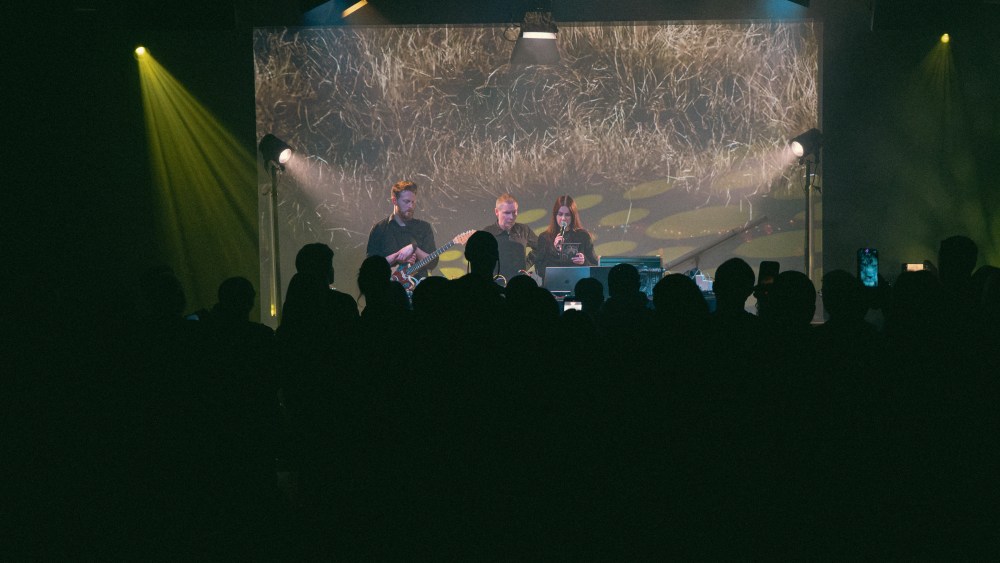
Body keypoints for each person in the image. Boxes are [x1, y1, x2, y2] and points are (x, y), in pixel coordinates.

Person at [366, 180, 439, 282]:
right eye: (406, 201)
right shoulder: (379, 229)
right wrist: (397, 256)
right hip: (389, 289)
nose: (410, 206)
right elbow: (370, 266)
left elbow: (433, 262)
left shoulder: (424, 228)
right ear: (394, 201)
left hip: (419, 289)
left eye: (413, 202)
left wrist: (414, 249)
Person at [534, 195, 598, 278]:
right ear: (555, 215)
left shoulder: (583, 236)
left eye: (567, 215)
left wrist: (584, 261)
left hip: (577, 283)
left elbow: (595, 265)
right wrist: (555, 250)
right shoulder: (545, 237)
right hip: (554, 284)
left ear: (573, 216)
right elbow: (539, 270)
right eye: (560, 214)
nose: (563, 218)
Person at [481, 193, 538, 283]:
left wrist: (525, 265)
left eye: (514, 212)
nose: (511, 217)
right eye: (507, 213)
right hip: (494, 284)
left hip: (518, 283)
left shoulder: (524, 230)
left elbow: (540, 248)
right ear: (496, 212)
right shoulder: (487, 232)